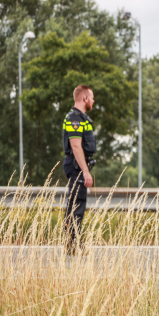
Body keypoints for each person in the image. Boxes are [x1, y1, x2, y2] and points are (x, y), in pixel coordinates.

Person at [62, 84, 97, 255]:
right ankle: (72, 245)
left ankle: (73, 242)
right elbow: (76, 147)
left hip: (79, 165)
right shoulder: (75, 118)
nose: (93, 100)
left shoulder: (81, 118)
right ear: (84, 99)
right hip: (77, 166)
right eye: (91, 97)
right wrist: (85, 170)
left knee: (77, 204)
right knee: (76, 204)